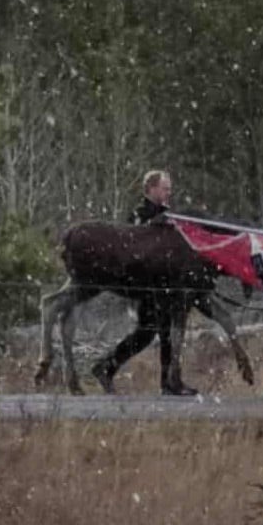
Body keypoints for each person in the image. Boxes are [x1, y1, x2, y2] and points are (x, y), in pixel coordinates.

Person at [91, 170, 197, 396]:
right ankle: (165, 381)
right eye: (164, 188)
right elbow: (133, 246)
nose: (169, 192)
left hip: (166, 282)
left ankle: (164, 381)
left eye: (169, 188)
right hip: (147, 282)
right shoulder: (139, 215)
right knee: (152, 332)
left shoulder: (171, 215)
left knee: (154, 331)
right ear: (151, 189)